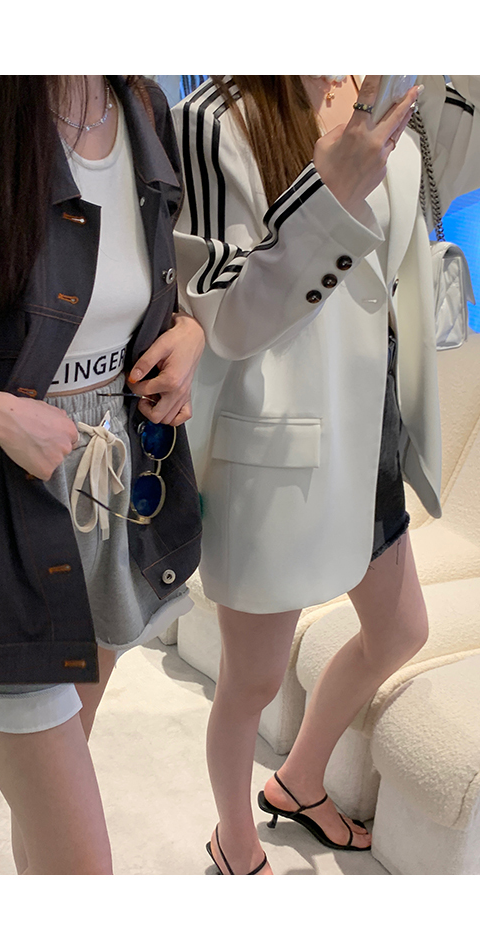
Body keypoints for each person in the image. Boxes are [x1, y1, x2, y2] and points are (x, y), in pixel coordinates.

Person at [0, 75, 205, 875]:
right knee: (83, 866)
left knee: (52, 820)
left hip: (108, 498)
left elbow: (134, 295)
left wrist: (189, 333)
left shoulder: (141, 110)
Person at [173, 74, 480, 874]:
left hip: (370, 432)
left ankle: (299, 779)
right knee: (253, 680)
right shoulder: (217, 119)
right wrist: (329, 193)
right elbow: (223, 319)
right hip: (280, 447)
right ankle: (234, 838)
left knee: (401, 630)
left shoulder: (399, 101)